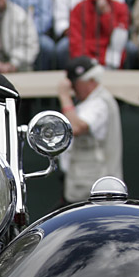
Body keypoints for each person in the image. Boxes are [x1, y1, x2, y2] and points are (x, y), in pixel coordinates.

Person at [56, 55, 121, 204]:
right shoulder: (88, 102)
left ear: (90, 81)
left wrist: (64, 97)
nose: (72, 88)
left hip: (93, 192)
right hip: (80, 187)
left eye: (75, 83)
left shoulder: (100, 102)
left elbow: (77, 127)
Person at [67, 0, 130, 67]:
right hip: (87, 57)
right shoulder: (79, 8)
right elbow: (76, 41)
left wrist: (106, 13)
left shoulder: (120, 8)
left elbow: (118, 38)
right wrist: (86, 62)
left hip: (110, 57)